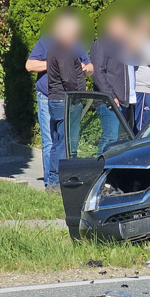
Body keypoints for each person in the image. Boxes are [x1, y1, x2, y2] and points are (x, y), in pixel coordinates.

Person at [25, 11, 92, 191]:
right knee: (53, 141)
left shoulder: (74, 46)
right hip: (50, 96)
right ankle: (52, 181)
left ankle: (55, 180)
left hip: (60, 97)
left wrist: (83, 69)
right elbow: (30, 65)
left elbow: (90, 66)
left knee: (59, 140)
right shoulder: (47, 43)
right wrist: (54, 65)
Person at [46, 12, 87, 193]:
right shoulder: (63, 50)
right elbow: (68, 78)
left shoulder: (56, 47)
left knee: (57, 143)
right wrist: (78, 93)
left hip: (57, 99)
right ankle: (60, 183)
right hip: (65, 100)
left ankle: (54, 181)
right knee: (65, 143)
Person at [91, 14, 133, 153]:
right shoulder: (103, 44)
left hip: (122, 101)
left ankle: (111, 171)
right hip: (109, 101)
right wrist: (110, 95)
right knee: (110, 138)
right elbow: (97, 72)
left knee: (119, 142)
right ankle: (98, 171)